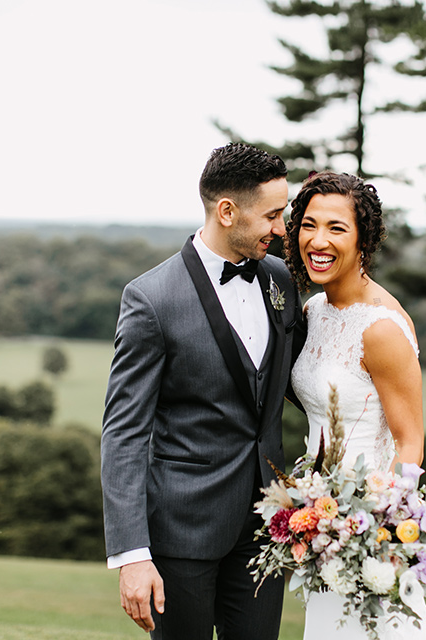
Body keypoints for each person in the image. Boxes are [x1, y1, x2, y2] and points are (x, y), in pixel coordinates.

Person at [100, 143, 303, 640]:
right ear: (227, 211)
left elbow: (303, 381)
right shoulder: (151, 299)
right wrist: (132, 555)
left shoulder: (279, 279)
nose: (282, 230)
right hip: (181, 532)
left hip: (265, 528)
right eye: (273, 215)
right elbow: (123, 433)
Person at [285, 171, 426, 639]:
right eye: (308, 225)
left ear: (364, 238)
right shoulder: (314, 311)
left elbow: (410, 443)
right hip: (320, 524)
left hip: (364, 534)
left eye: (336, 228)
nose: (318, 240)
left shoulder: (382, 328)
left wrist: (383, 530)